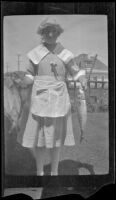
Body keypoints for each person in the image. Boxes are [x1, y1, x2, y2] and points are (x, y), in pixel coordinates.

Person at [17, 18, 87, 176]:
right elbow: (29, 74)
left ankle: (54, 172)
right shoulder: (35, 53)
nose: (50, 33)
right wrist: (24, 82)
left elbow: (76, 71)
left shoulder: (65, 53)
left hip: (59, 101)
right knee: (40, 141)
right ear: (42, 33)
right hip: (39, 101)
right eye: (47, 30)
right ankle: (40, 172)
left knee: (56, 140)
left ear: (58, 33)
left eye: (54, 30)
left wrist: (82, 78)